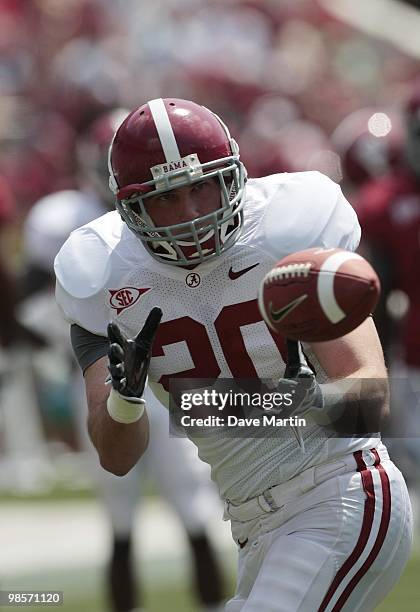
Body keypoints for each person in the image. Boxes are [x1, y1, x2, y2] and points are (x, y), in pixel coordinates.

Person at [55, 97, 413, 611]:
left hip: (341, 494)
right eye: (165, 198)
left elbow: (368, 400)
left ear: (233, 176)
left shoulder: (286, 227)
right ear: (130, 208)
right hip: (253, 525)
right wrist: (127, 401)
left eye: (200, 186)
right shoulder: (100, 275)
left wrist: (208, 405)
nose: (191, 216)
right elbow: (116, 457)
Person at [22, 186, 225, 612]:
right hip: (107, 379)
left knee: (191, 509)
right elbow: (34, 298)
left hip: (163, 383)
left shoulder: (147, 230)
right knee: (122, 516)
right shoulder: (70, 226)